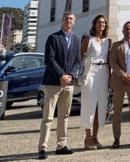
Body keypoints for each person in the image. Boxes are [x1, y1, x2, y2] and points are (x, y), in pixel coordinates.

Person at [38, 12, 82, 160]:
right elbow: (49, 59)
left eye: (71, 19)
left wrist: (70, 75)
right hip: (53, 82)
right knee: (48, 116)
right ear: (62, 21)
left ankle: (61, 145)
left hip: (68, 84)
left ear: (74, 22)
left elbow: (78, 60)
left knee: (64, 115)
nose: (68, 21)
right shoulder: (53, 38)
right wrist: (61, 75)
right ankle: (43, 147)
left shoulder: (76, 40)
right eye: (66, 19)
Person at [109, 21, 130, 148]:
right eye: (126, 29)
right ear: (123, 31)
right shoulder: (116, 46)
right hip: (119, 82)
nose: (129, 31)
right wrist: (124, 75)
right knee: (117, 111)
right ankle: (116, 138)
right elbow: (113, 63)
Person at [80, 14, 112, 150]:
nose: (101, 25)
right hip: (91, 72)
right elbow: (80, 56)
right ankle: (87, 138)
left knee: (100, 105)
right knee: (89, 104)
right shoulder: (88, 40)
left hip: (104, 72)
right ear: (94, 24)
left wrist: (110, 77)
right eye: (99, 22)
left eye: (103, 23)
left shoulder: (108, 41)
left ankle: (95, 136)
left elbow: (110, 59)